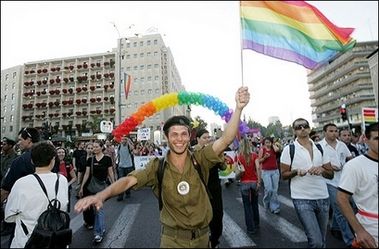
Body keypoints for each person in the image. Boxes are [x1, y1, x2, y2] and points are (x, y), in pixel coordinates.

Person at [75, 86, 250, 248]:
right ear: (166, 137)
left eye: (183, 134)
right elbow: (128, 180)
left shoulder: (201, 158)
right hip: (172, 242)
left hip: (203, 239)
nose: (179, 139)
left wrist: (239, 108)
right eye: (174, 134)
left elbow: (226, 139)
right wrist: (102, 195)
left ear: (190, 137)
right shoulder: (157, 166)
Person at [280, 118, 334, 248]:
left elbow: (330, 174)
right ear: (294, 131)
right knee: (315, 241)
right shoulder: (289, 149)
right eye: (299, 127)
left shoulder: (320, 147)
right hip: (302, 199)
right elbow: (284, 175)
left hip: (322, 197)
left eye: (305, 126)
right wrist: (296, 172)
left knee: (322, 241)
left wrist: (321, 169)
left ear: (309, 128)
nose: (302, 128)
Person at [4, 141, 68, 248]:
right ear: (53, 160)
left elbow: (9, 216)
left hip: (26, 240)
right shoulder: (62, 180)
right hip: (55, 240)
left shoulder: (21, 183)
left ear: (32, 161)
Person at [337, 122, 378, 248]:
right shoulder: (355, 166)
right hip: (372, 228)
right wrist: (359, 231)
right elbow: (342, 198)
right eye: (377, 138)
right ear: (366, 140)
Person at [1, 128, 40, 247]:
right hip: (44, 215)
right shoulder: (50, 159)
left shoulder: (20, 161)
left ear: (28, 140)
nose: (18, 143)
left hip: (24, 215)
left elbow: (5, 190)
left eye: (20, 140)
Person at [319, 123, 354, 247]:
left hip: (345, 181)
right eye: (331, 131)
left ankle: (334, 227)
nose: (334, 133)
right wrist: (328, 167)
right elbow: (317, 164)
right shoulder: (319, 146)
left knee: (353, 207)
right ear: (325, 132)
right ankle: (349, 240)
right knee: (340, 210)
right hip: (329, 182)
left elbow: (350, 159)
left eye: (335, 131)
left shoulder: (342, 145)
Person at [193, 128, 226, 248]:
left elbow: (223, 167)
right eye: (204, 138)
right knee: (200, 217)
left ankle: (214, 241)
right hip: (199, 190)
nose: (207, 140)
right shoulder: (192, 152)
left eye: (209, 137)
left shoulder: (214, 151)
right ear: (197, 139)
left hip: (215, 189)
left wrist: (221, 157)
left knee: (217, 215)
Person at [79, 140, 115, 243]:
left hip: (102, 188)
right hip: (92, 187)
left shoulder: (107, 159)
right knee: (97, 210)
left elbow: (110, 172)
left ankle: (98, 233)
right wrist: (81, 187)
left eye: (96, 147)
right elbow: (86, 174)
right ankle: (101, 228)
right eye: (93, 147)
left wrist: (114, 184)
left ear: (101, 147)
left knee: (99, 209)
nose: (94, 149)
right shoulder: (90, 159)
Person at [236, 136, 261, 235]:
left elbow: (236, 170)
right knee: (255, 204)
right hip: (254, 182)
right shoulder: (254, 155)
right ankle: (256, 223)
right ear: (249, 145)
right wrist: (259, 181)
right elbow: (258, 168)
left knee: (247, 206)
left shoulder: (238, 156)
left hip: (244, 183)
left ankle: (250, 228)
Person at [258, 137, 280, 214]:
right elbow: (259, 161)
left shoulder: (274, 149)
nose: (268, 144)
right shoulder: (262, 150)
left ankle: (274, 207)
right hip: (266, 172)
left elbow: (277, 150)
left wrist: (273, 144)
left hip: (275, 171)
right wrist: (264, 157)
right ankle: (266, 202)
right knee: (269, 189)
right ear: (264, 143)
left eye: (269, 142)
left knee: (274, 190)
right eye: (266, 142)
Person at [0, 138, 18, 236]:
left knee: (8, 207)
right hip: (2, 185)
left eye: (5, 144)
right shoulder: (2, 156)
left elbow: (8, 173)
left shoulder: (15, 158)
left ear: (10, 146)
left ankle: (8, 226)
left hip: (9, 186)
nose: (3, 146)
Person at [55, 147, 77, 212]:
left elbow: (74, 177)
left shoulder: (68, 165)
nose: (61, 154)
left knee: (64, 208)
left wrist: (67, 184)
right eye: (59, 152)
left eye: (63, 152)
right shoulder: (52, 164)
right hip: (54, 190)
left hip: (65, 190)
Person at [116, 135, 135, 201]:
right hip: (121, 166)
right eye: (122, 139)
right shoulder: (119, 146)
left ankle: (128, 192)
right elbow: (118, 155)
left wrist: (129, 141)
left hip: (129, 166)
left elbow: (132, 148)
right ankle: (120, 196)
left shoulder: (128, 146)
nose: (123, 141)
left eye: (125, 139)